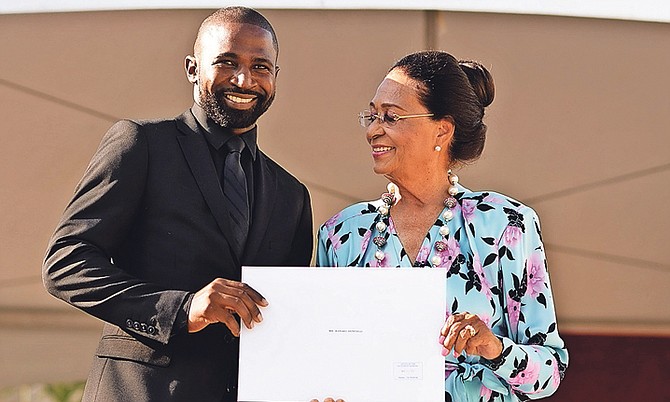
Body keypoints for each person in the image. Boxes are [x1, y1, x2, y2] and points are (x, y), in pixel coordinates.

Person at [42, 7, 313, 402]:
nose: (244, 79)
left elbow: (285, 316)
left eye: (261, 67)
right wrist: (181, 309)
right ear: (192, 68)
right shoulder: (141, 144)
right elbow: (66, 262)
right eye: (226, 62)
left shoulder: (292, 194)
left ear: (275, 77)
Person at [316, 51, 568, 401]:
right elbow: (326, 356)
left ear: (441, 129)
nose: (374, 129)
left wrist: (494, 348)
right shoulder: (341, 233)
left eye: (390, 116)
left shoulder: (505, 224)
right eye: (372, 115)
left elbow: (550, 370)